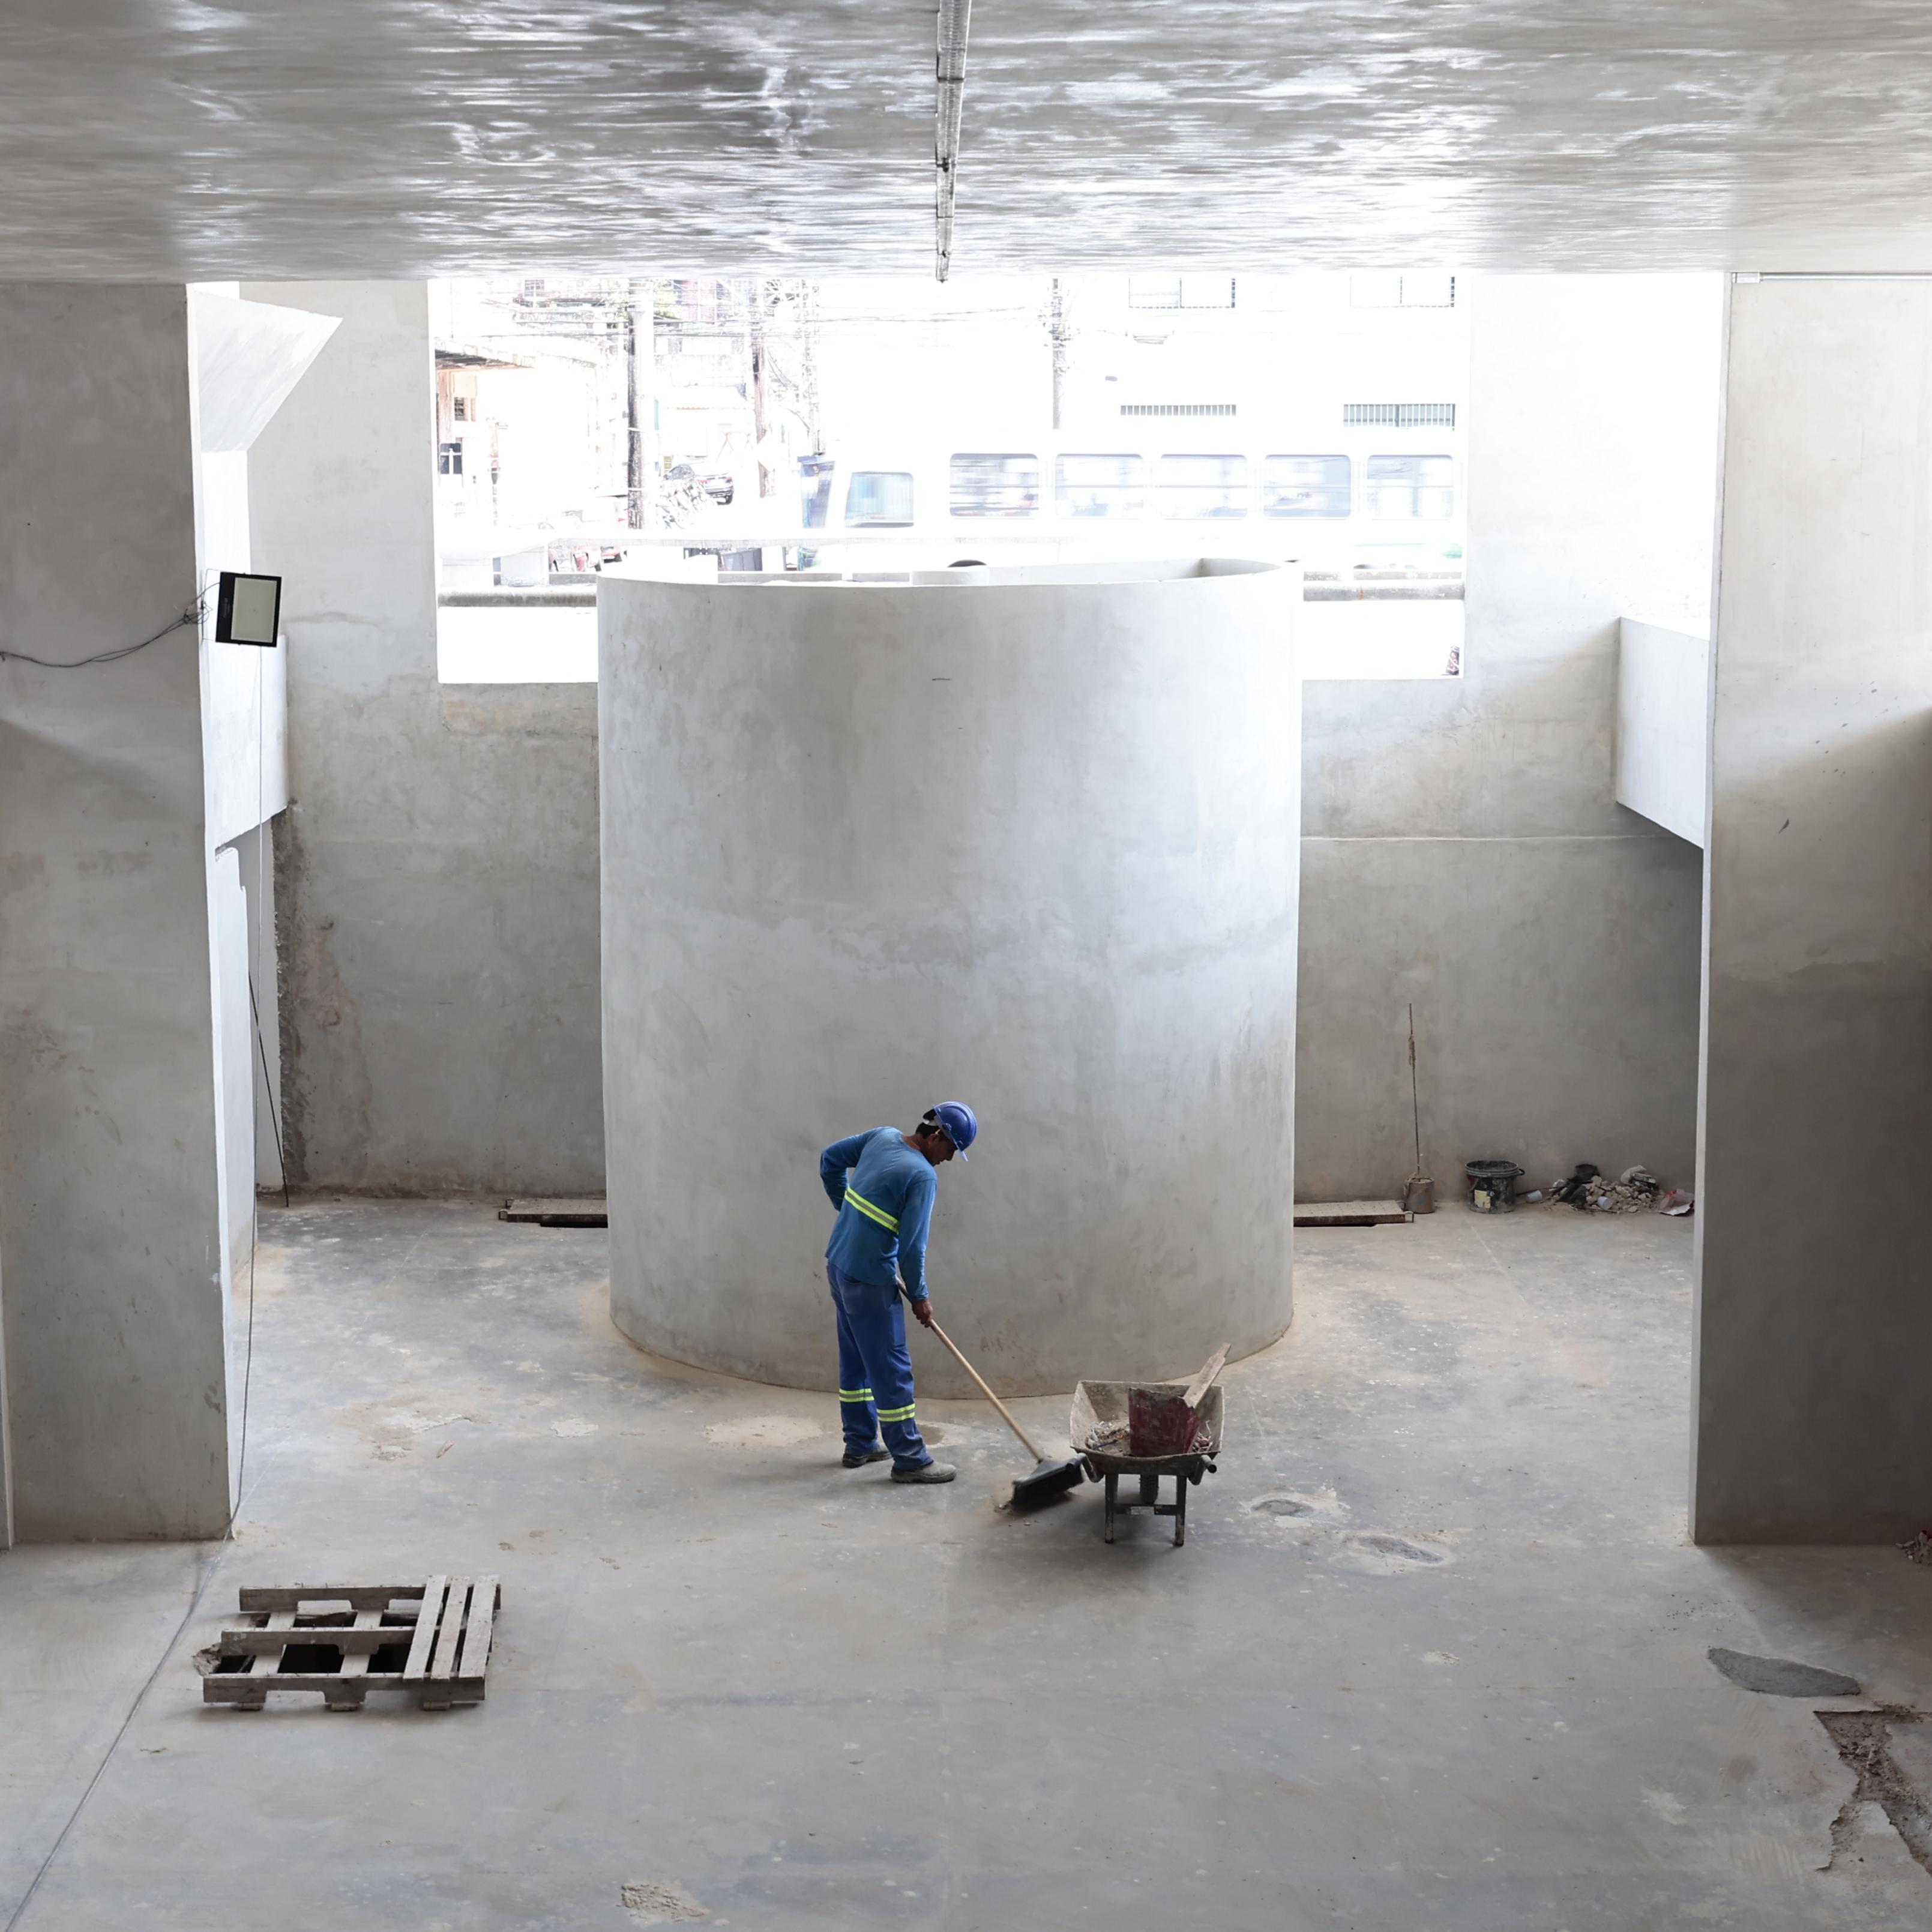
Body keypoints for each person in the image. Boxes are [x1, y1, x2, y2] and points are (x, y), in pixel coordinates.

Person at [818, 1103, 979, 1484]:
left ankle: (859, 1444)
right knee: (892, 1369)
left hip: (839, 1266)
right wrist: (920, 1297)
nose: (949, 1159)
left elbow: (830, 1160)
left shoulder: (881, 1136)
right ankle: (909, 1458)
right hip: (871, 1281)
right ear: (937, 1137)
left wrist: (846, 1212)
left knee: (856, 1360)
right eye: (951, 1150)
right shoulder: (922, 1176)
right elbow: (912, 1248)